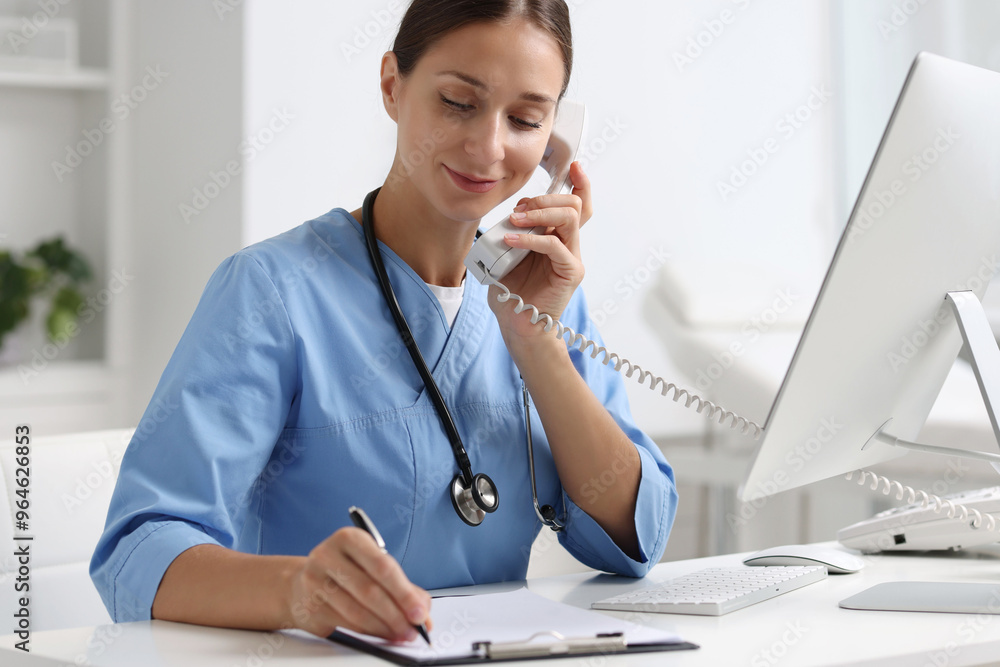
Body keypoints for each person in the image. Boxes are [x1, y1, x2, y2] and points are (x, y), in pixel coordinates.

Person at [90, 0, 678, 645]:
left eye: (526, 119)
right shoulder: (272, 292)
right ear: (393, 86)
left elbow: (635, 537)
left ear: (555, 139)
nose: (489, 146)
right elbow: (139, 552)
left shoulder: (541, 296)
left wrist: (535, 342)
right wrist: (300, 593)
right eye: (458, 101)